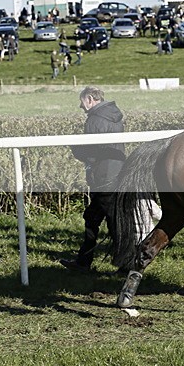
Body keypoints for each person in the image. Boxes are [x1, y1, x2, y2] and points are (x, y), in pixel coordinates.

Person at [60, 87, 126, 272]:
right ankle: (85, 260)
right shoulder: (114, 115)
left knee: (109, 221)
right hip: (116, 172)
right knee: (96, 218)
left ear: (89, 99)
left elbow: (91, 154)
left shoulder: (94, 119)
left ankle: (125, 262)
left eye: (82, 101)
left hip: (103, 176)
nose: (80, 106)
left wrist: (74, 147)